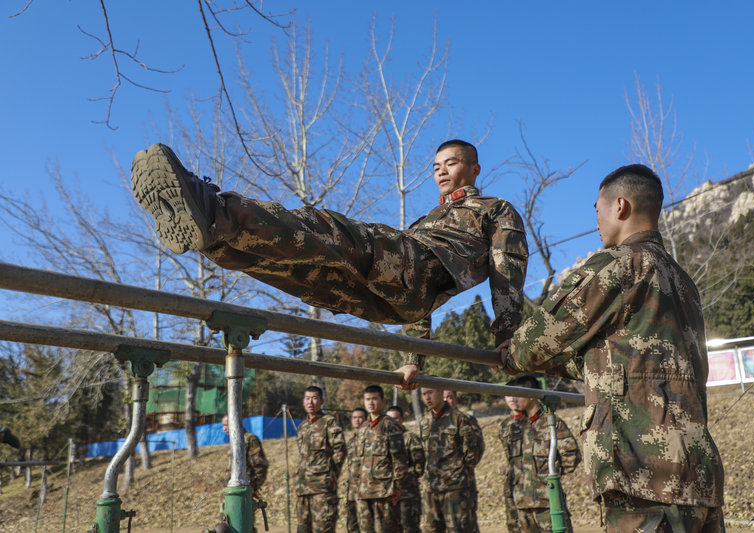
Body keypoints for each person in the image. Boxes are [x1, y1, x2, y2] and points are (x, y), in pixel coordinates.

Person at [130, 140, 528, 385]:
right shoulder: (426, 221)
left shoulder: (493, 209)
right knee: (295, 267)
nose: (442, 171)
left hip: (416, 265)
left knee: (324, 228)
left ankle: (215, 210)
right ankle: (212, 237)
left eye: (452, 163)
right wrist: (412, 359)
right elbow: (417, 299)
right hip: (392, 299)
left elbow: (505, 271)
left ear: (474, 169)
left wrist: (507, 333)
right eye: (437, 166)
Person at [498, 164, 725, 532]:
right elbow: (629, 362)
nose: (598, 222)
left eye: (597, 211)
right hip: (698, 475)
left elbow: (531, 346)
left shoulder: (620, 266)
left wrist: (509, 355)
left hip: (645, 475)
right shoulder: (684, 283)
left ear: (620, 206)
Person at [498, 375, 581, 533]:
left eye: (518, 394)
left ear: (531, 395)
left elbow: (571, 456)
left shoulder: (551, 422)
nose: (514, 399)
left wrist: (548, 477)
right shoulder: (515, 425)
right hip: (521, 502)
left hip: (547, 503)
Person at [418, 387, 484, 533]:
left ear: (441, 392)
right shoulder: (425, 422)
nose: (427, 397)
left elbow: (473, 453)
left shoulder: (459, 418)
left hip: (455, 489)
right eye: (423, 394)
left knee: (460, 529)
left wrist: (458, 473)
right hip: (431, 489)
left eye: (430, 392)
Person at [355, 385, 409, 533]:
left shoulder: (390, 425)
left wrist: (397, 487)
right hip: (364, 492)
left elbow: (399, 459)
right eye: (367, 399)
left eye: (374, 399)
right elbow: (357, 462)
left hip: (384, 492)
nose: (371, 403)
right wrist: (355, 488)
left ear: (383, 401)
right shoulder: (362, 429)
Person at [295, 386, 347, 533]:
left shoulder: (329, 422)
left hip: (322, 490)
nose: (310, 402)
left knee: (323, 528)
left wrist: (329, 474)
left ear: (321, 401)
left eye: (314, 398)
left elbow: (340, 450)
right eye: (307, 398)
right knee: (303, 529)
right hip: (303, 488)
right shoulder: (302, 427)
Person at [441, 390, 484, 522]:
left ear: (456, 399)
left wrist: (467, 469)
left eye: (449, 397)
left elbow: (478, 447)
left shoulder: (466, 419)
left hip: (462, 478)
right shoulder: (432, 422)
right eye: (443, 397)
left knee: (465, 519)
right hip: (440, 481)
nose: (446, 401)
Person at [386, 405, 426, 533]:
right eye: (389, 419)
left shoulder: (409, 438)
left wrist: (402, 476)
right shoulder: (383, 439)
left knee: (409, 527)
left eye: (396, 419)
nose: (393, 422)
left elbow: (419, 465)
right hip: (387, 492)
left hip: (407, 492)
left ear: (402, 419)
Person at [221, 415, 269, 500]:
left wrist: (253, 487)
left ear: (234, 423)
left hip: (244, 491)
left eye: (226, 425)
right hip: (231, 491)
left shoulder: (249, 439)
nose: (224, 429)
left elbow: (260, 466)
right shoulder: (234, 441)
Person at [346, 407, 368, 533]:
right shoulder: (350, 442)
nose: (357, 420)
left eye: (360, 417)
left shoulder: (371, 439)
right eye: (354, 417)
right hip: (351, 491)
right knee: (352, 527)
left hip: (366, 490)